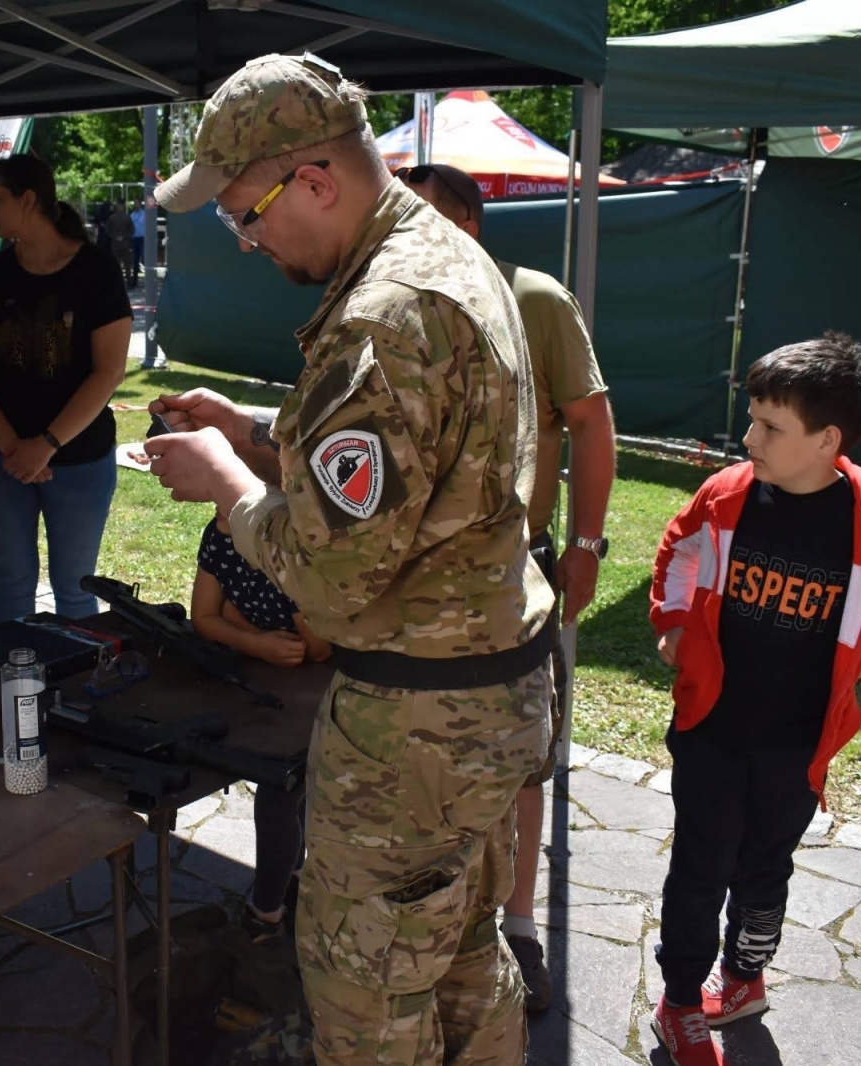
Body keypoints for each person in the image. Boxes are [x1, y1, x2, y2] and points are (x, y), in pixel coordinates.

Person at [143, 53, 554, 1065]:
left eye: (245, 212)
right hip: (486, 698)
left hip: (414, 732)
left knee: (369, 1002)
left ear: (316, 181)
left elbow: (330, 577)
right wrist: (252, 428)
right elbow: (417, 454)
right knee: (462, 958)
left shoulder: (382, 313)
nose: (243, 241)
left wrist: (227, 486)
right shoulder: (446, 261)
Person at [647, 333, 861, 1066]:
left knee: (766, 870)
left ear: (828, 439)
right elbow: (677, 547)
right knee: (700, 869)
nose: (748, 437)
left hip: (797, 748)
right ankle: (679, 1002)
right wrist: (673, 623)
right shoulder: (726, 493)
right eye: (751, 418)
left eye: (770, 426)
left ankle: (741, 982)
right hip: (710, 729)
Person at [397, 162, 617, 1012]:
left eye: (424, 217)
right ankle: (431, 914)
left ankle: (518, 923)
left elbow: (592, 420)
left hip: (513, 567)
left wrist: (589, 544)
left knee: (524, 760)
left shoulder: (535, 301)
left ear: (469, 224)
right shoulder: (390, 304)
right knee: (416, 752)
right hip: (409, 576)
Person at [0, 154, 130, 623]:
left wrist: (47, 445)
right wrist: (16, 448)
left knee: (75, 589)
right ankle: (11, 693)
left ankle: (73, 695)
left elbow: (108, 372)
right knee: (11, 586)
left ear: (28, 200)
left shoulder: (96, 270)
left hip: (79, 459)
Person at [191, 506, 330, 941]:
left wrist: (236, 620)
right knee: (288, 794)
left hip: (319, 686)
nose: (219, 514)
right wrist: (254, 640)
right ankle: (293, 879)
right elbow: (204, 618)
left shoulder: (291, 544)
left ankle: (265, 913)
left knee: (279, 792)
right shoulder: (218, 537)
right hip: (267, 678)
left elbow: (319, 649)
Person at [106, 201, 134, 287]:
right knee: (127, 263)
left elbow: (107, 230)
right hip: (125, 242)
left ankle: (116, 281)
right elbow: (132, 230)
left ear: (117, 206)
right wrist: (124, 236)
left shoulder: (111, 218)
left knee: (116, 263)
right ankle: (128, 281)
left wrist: (114, 236)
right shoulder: (127, 217)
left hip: (115, 243)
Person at [129, 199, 146, 284]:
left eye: (137, 203)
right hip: (135, 239)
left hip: (143, 238)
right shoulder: (131, 215)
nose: (135, 205)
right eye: (134, 203)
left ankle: (148, 280)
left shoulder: (145, 214)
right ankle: (134, 281)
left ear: (140, 204)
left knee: (144, 259)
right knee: (135, 260)